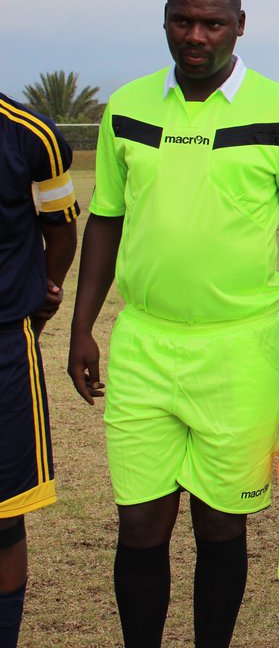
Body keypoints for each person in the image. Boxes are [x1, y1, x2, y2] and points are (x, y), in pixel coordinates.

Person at [67, 0, 279, 648]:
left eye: (213, 22)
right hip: (145, 342)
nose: (196, 35)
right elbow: (106, 219)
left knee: (220, 524)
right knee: (140, 523)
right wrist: (83, 327)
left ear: (240, 25)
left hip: (239, 347)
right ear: (165, 21)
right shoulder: (128, 107)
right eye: (183, 20)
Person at [0, 93, 78, 648]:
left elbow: (61, 231)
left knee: (3, 519)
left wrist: (40, 303)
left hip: (3, 344)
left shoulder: (33, 137)